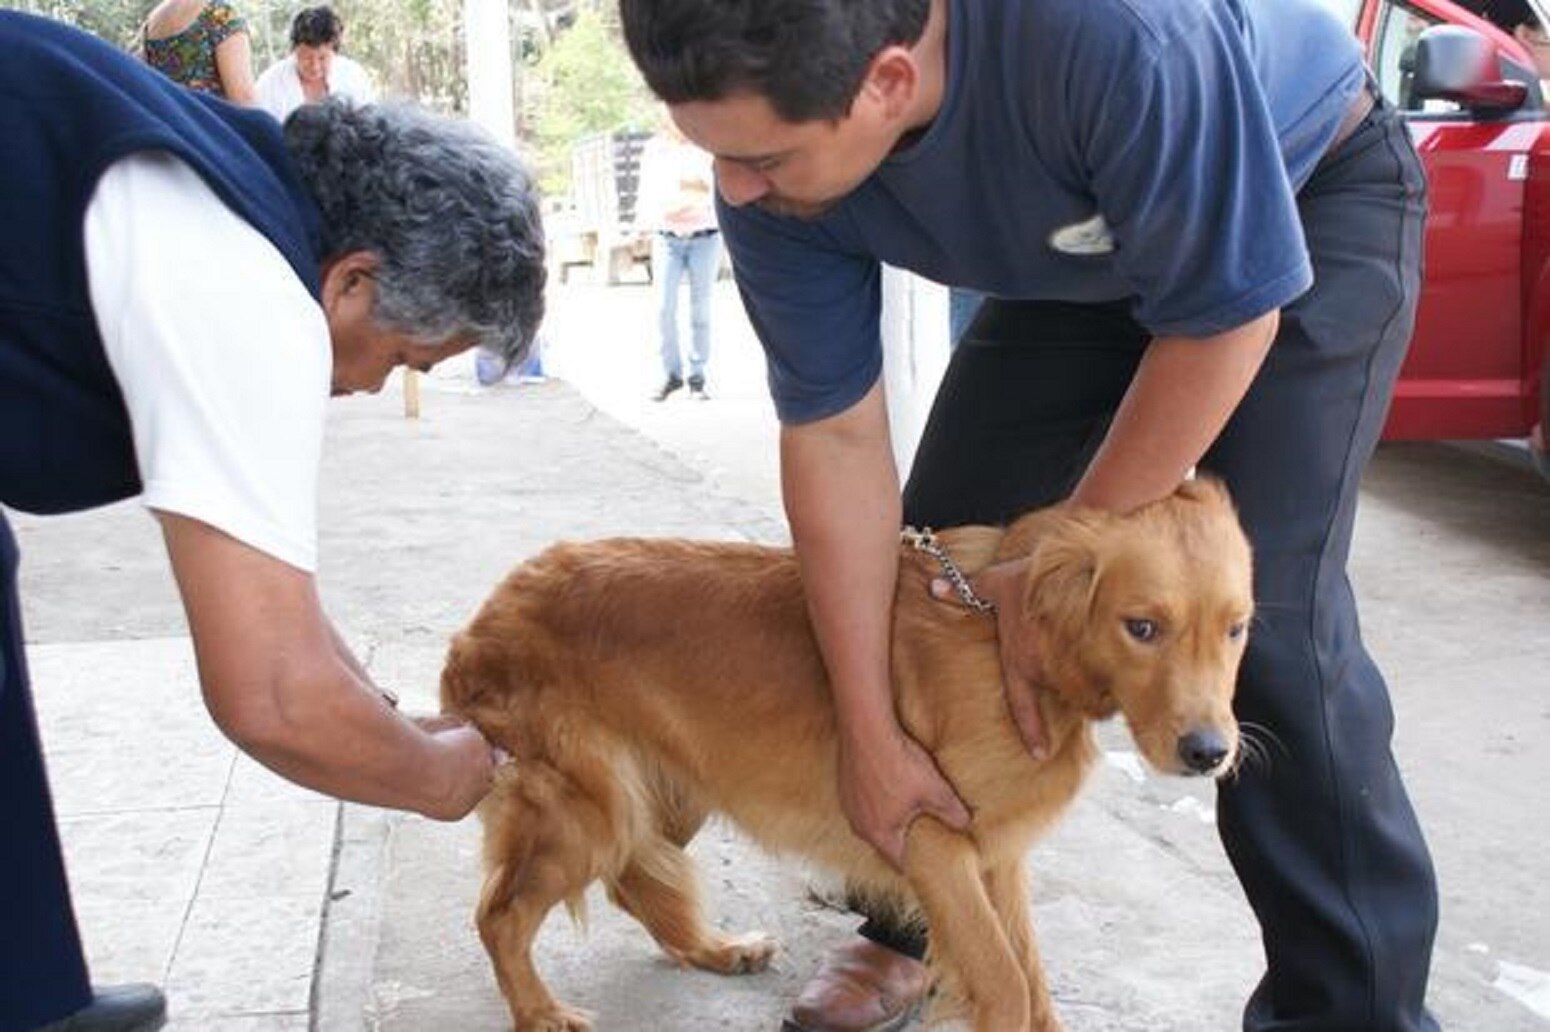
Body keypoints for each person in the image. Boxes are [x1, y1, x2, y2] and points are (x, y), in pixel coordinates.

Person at [618, 2, 1440, 1031]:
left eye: (765, 159)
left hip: (1295, 198)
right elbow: (834, 444)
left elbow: (1222, 321)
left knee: (1261, 630)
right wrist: (867, 737)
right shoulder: (762, 179)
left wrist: (1051, 567)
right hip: (1075, 265)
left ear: (884, 83)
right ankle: (916, 911)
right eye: (714, 155)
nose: (733, 189)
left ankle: (1349, 1013)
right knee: (940, 589)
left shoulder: (1118, 38)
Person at [1, 11, 546, 1031]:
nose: (377, 386)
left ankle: (26, 993)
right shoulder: (244, 288)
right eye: (402, 359)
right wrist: (436, 774)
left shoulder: (232, 191)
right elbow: (270, 696)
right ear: (354, 280)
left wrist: (377, 710)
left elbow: (272, 601)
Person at [639, 123, 721, 401]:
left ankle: (697, 377)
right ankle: (671, 374)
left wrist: (692, 194)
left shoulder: (708, 143)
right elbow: (650, 191)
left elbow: (712, 188)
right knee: (664, 308)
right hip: (667, 236)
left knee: (701, 310)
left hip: (705, 236)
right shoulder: (656, 149)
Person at [254, 5, 376, 124]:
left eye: (322, 58)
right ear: (294, 50)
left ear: (334, 50)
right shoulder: (269, 83)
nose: (315, 66)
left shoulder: (354, 76)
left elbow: (370, 125)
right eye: (306, 58)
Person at [136, 0, 256, 104]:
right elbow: (244, 98)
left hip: (170, 126)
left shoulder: (153, 21)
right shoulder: (220, 14)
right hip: (210, 127)